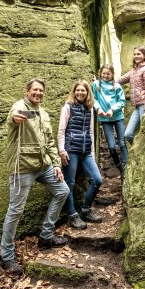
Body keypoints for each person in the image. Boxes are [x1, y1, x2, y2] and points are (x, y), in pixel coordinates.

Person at [0, 78, 70, 276]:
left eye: (41, 91)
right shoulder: (20, 106)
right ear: (27, 91)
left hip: (43, 165)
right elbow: (12, 118)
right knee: (16, 210)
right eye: (35, 90)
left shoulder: (44, 114)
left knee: (62, 190)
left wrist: (56, 164)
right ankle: (7, 256)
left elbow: (49, 141)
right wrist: (15, 117)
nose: (38, 93)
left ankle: (46, 236)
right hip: (22, 167)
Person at [57, 80, 103, 230]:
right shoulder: (67, 107)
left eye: (83, 90)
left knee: (97, 180)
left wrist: (92, 153)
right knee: (69, 183)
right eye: (78, 90)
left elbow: (90, 132)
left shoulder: (89, 109)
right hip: (71, 150)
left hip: (86, 152)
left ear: (88, 92)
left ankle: (85, 210)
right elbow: (61, 131)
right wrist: (62, 151)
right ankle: (72, 215)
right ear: (74, 92)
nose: (80, 93)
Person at [92, 64, 128, 172]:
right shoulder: (96, 84)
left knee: (122, 143)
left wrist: (112, 109)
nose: (106, 75)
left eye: (108, 74)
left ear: (112, 74)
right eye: (104, 73)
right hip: (104, 118)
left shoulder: (117, 86)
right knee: (112, 146)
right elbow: (94, 99)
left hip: (117, 117)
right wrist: (98, 109)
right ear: (100, 73)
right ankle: (118, 165)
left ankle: (125, 164)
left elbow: (122, 101)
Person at [117, 46, 145, 145]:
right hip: (138, 107)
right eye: (134, 54)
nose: (136, 56)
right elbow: (122, 79)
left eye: (138, 54)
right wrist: (106, 83)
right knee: (128, 134)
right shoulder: (134, 70)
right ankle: (137, 153)